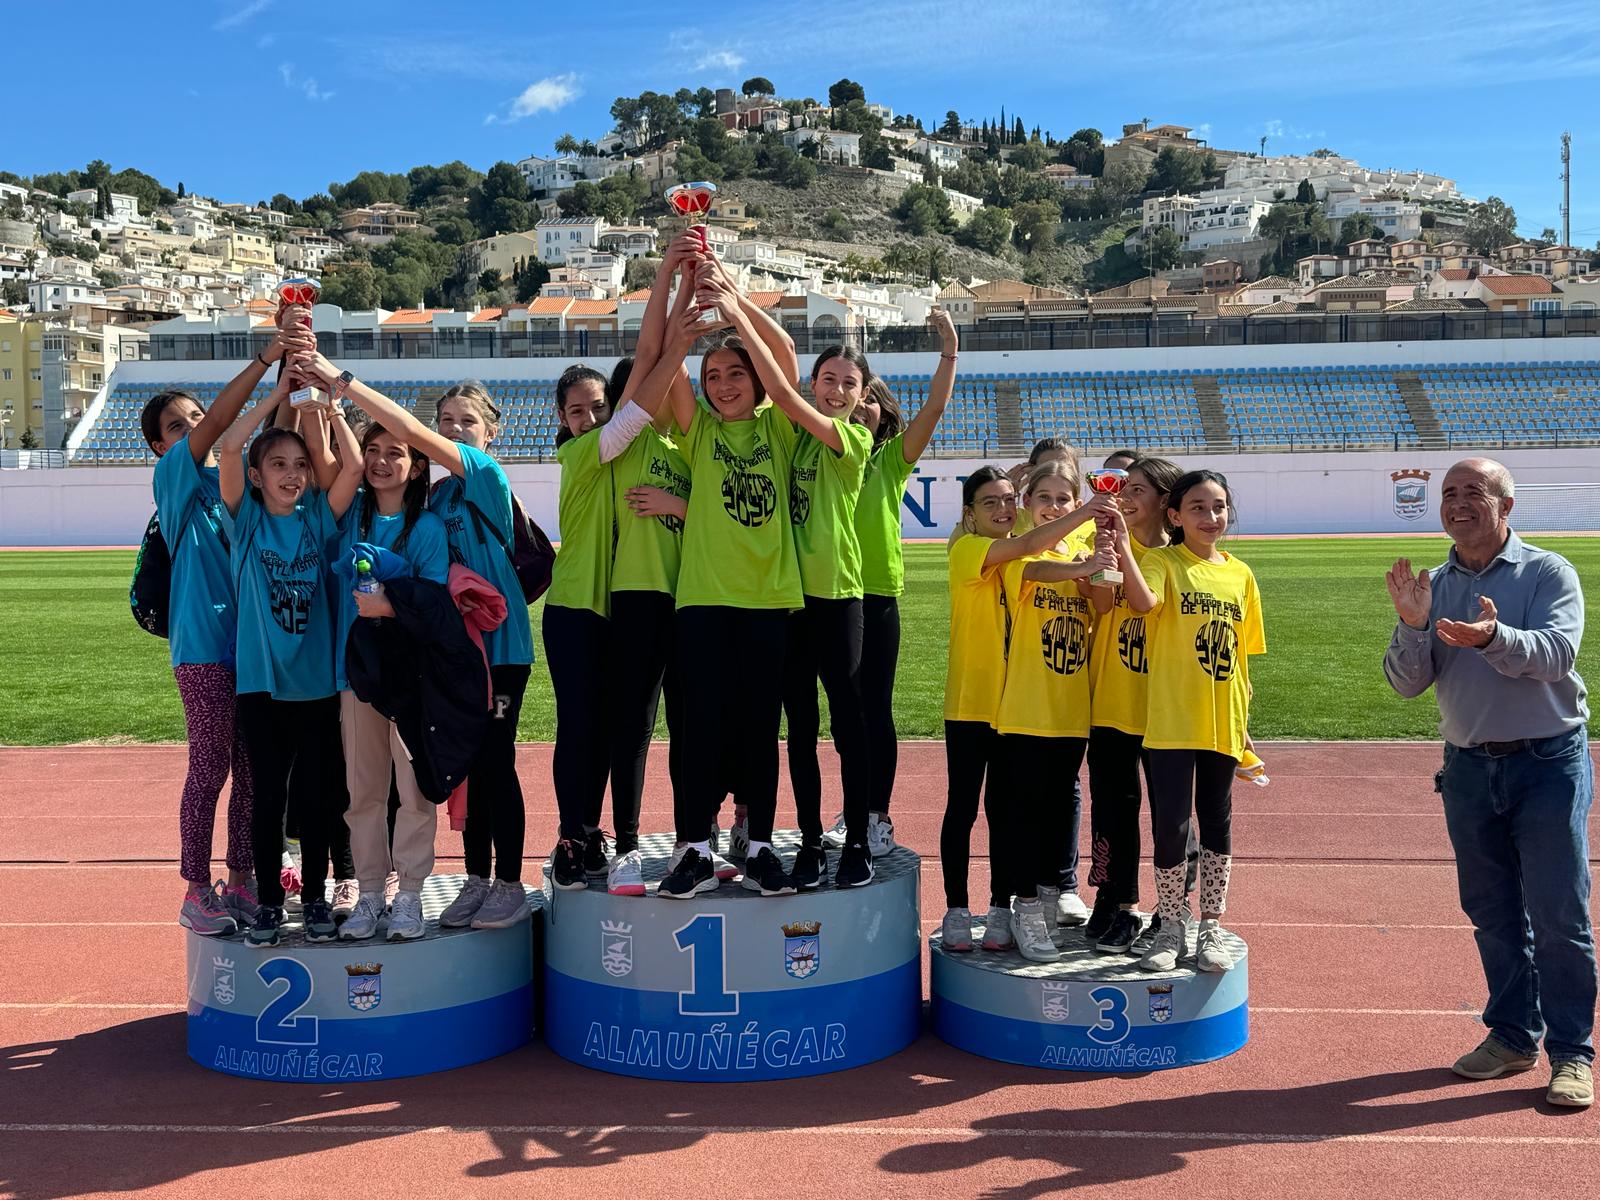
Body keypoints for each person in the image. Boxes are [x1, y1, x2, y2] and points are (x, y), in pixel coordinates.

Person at [291, 358, 534, 930]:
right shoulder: (437, 500)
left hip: (492, 648)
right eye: (444, 420)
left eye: (465, 421)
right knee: (457, 768)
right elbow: (344, 465)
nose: (452, 429)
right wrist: (319, 406)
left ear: (490, 432)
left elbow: (411, 437)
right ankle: (473, 879)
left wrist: (338, 379)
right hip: (433, 659)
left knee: (491, 766)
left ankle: (507, 882)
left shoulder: (483, 478)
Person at [1384, 457, 1593, 1109]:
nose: (1458, 502)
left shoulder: (1548, 572)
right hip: (1469, 768)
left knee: (1559, 913)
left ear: (1507, 506)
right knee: (1492, 912)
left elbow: (1557, 654)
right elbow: (1405, 682)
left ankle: (1571, 1052)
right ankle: (1510, 1037)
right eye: (1449, 494)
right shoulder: (1432, 585)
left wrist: (1493, 637)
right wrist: (1414, 626)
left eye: (1473, 491)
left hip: (1546, 763)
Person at [141, 310, 315, 934]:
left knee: (254, 772)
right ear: (160, 446)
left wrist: (296, 378)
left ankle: (240, 883)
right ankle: (194, 889)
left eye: (192, 419)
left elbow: (277, 440)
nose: (191, 428)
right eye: (176, 426)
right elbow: (221, 424)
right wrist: (269, 362)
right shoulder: (177, 481)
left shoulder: (239, 479)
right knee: (209, 765)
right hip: (205, 648)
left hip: (253, 651)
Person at [656, 257, 811, 900]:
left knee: (758, 730)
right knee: (700, 729)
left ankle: (760, 844)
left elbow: (786, 352)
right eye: (712, 376)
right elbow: (667, 366)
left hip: (768, 601)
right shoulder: (697, 433)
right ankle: (694, 846)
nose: (722, 385)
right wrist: (685, 294)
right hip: (703, 602)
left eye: (733, 374)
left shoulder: (779, 427)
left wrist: (734, 297)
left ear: (756, 381)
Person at [217, 376, 364, 948]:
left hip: (316, 686)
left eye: (300, 465)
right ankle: (270, 905)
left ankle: (317, 900)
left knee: (318, 799)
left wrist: (329, 408)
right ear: (257, 477)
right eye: (278, 464)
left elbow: (350, 468)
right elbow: (230, 447)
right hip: (262, 686)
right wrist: (278, 400)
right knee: (269, 799)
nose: (292, 474)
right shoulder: (247, 522)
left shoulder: (315, 520)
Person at [940, 466, 1111, 952]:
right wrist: (1084, 513)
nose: (1001, 509)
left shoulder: (1024, 543)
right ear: (969, 515)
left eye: (1006, 500)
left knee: (1005, 811)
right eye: (989, 502)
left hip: (1014, 707)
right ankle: (956, 907)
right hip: (973, 703)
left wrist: (1093, 548)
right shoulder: (972, 550)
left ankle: (999, 907)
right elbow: (1029, 557)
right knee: (963, 807)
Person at [818, 310, 957, 861]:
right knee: (840, 713)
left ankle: (876, 814)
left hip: (874, 597)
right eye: (859, 393)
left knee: (874, 707)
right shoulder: (821, 451)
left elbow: (936, 408)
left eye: (873, 396)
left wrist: (948, 353)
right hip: (825, 594)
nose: (865, 402)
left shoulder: (892, 460)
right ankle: (853, 807)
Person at [1119, 470, 1264, 974]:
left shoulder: (1241, 575)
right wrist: (1119, 544)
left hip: (1221, 721)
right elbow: (1142, 603)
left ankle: (1211, 925)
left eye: (1219, 507)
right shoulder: (1163, 562)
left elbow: (1243, 661)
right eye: (1198, 508)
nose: (1211, 517)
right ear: (1175, 516)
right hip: (1172, 720)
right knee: (1172, 826)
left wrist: (1244, 721)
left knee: (1218, 820)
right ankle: (1172, 926)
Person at [330, 421, 450, 941]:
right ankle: (371, 892)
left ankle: (410, 895)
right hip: (355, 675)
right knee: (363, 790)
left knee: (416, 789)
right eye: (372, 451)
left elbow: (435, 602)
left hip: (412, 678)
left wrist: (389, 604)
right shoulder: (345, 518)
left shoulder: (426, 529)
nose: (381, 461)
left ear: (416, 464)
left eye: (394, 452)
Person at [993, 460, 1116, 961]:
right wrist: (1083, 563)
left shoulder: (1081, 551)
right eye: (1044, 497)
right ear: (1027, 504)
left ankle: (1048, 896)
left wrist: (1102, 566)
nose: (1054, 507)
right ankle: (1023, 910)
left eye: (1065, 499)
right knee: (1022, 810)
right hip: (1025, 707)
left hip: (1071, 708)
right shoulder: (1018, 548)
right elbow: (1037, 570)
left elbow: (1104, 607)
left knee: (1056, 807)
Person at [779, 342, 876, 891]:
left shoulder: (854, 438)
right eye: (827, 379)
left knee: (848, 728)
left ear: (861, 397)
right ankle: (811, 840)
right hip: (791, 601)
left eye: (847, 383)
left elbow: (788, 402)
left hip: (839, 597)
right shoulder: (793, 438)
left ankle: (857, 839)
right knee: (800, 731)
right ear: (812, 383)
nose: (836, 390)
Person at [1083, 455, 1187, 954]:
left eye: (1138, 489)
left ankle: (1173, 911)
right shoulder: (1101, 545)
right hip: (1113, 701)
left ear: (1166, 502)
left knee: (1173, 815)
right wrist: (1107, 553)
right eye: (1123, 486)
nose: (1126, 494)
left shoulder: (1181, 560)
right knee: (1113, 811)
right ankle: (1116, 902)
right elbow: (1103, 606)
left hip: (1168, 710)